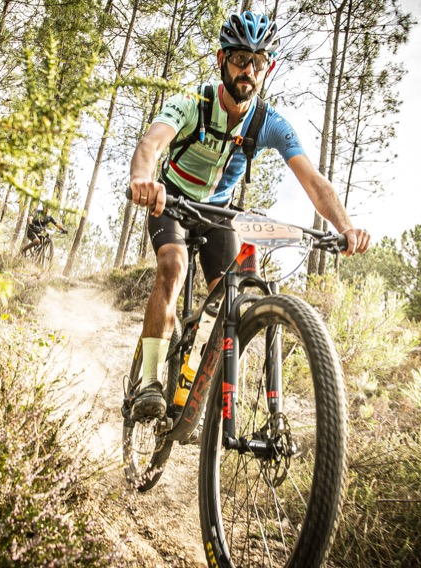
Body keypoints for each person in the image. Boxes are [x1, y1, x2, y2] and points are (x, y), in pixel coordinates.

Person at [128, 11, 371, 419]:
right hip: (172, 201)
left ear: (267, 68)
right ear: (222, 59)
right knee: (173, 265)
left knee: (230, 299)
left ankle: (194, 376)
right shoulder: (192, 103)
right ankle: (148, 381)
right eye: (241, 58)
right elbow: (151, 144)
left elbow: (314, 181)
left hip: (217, 212)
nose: (249, 70)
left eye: (258, 62)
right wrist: (143, 180)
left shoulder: (268, 121)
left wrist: (345, 227)